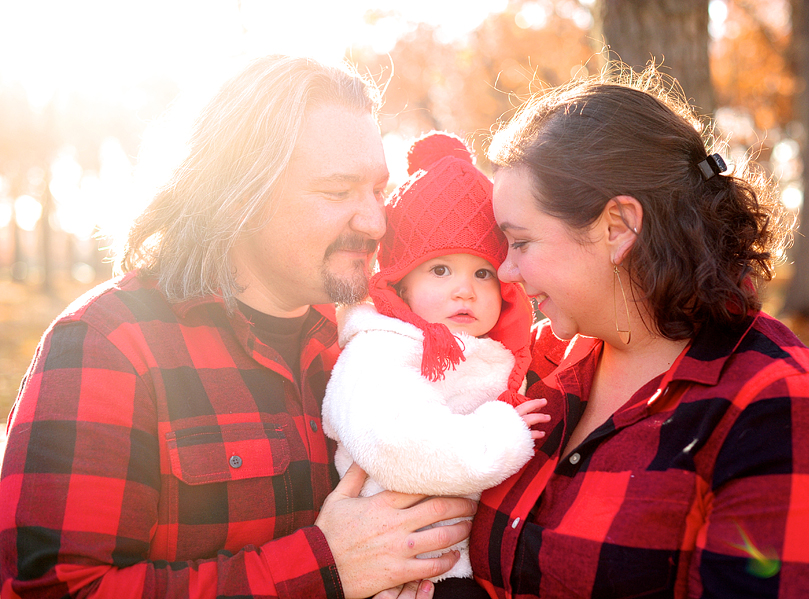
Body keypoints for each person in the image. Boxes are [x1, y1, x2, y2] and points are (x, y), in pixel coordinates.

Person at [0, 55, 478, 599]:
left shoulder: (372, 343)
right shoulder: (108, 344)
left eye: (376, 190)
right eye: (337, 192)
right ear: (239, 196)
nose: (374, 222)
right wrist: (324, 568)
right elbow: (53, 590)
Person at [463, 64, 809, 598]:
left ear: (618, 227)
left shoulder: (782, 411)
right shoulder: (537, 367)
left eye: (521, 242)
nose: (506, 271)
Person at [321, 132, 546, 584]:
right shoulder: (380, 350)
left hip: (463, 566)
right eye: (440, 270)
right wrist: (505, 431)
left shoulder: (495, 353)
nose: (464, 289)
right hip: (404, 573)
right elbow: (400, 444)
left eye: (483, 273)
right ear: (400, 283)